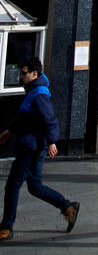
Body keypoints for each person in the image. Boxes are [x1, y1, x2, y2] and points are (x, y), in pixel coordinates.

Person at [0, 58, 79, 242]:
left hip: (31, 147)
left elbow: (50, 119)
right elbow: (28, 119)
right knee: (34, 186)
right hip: (33, 144)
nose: (21, 76)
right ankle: (68, 207)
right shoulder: (34, 91)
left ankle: (6, 227)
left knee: (12, 186)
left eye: (24, 73)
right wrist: (9, 131)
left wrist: (52, 142)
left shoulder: (39, 93)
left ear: (34, 74)